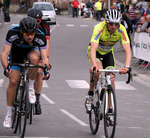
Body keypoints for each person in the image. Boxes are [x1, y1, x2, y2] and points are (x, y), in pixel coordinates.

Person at [1, 16, 50, 128]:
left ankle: (31, 87)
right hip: (16, 52)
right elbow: (4, 53)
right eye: (27, 34)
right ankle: (9, 114)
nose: (30, 36)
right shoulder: (13, 32)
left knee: (35, 59)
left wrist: (45, 70)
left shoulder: (40, 35)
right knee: (13, 82)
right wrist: (6, 67)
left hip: (31, 51)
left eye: (32, 34)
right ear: (21, 31)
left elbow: (44, 57)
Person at [85, 9, 131, 123]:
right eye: (111, 23)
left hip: (108, 54)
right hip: (95, 53)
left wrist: (126, 66)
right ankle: (90, 94)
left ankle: (110, 109)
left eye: (116, 24)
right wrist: (94, 65)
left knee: (111, 78)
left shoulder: (121, 30)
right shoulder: (99, 28)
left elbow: (128, 50)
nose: (114, 26)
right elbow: (93, 49)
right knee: (97, 72)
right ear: (106, 22)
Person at [27, 8, 50, 115]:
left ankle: (37, 99)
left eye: (38, 21)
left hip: (38, 48)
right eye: (33, 20)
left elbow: (46, 45)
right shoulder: (24, 24)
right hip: (25, 47)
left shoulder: (45, 26)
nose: (35, 23)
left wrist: (46, 62)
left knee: (39, 72)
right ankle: (19, 96)